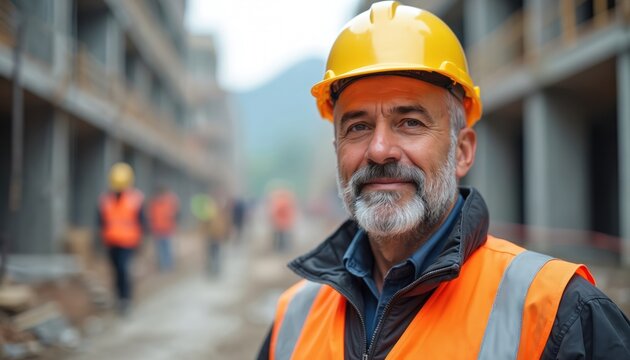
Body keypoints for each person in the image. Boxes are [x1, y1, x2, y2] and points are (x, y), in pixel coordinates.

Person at [257, 2, 630, 359]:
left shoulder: (559, 313)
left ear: (463, 151)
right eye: (358, 126)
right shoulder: (294, 318)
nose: (380, 149)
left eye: (410, 122)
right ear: (337, 149)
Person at [98, 162, 145, 316]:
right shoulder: (106, 199)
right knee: (116, 271)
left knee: (124, 270)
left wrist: (142, 241)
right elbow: (101, 221)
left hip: (128, 242)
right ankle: (119, 298)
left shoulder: (135, 199)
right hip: (112, 242)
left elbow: (141, 221)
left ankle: (126, 300)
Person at [148, 185, 180, 271]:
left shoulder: (169, 201)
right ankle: (163, 266)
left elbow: (175, 214)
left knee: (166, 248)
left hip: (167, 229)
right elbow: (151, 216)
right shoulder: (155, 203)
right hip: (158, 229)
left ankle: (168, 265)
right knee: (161, 249)